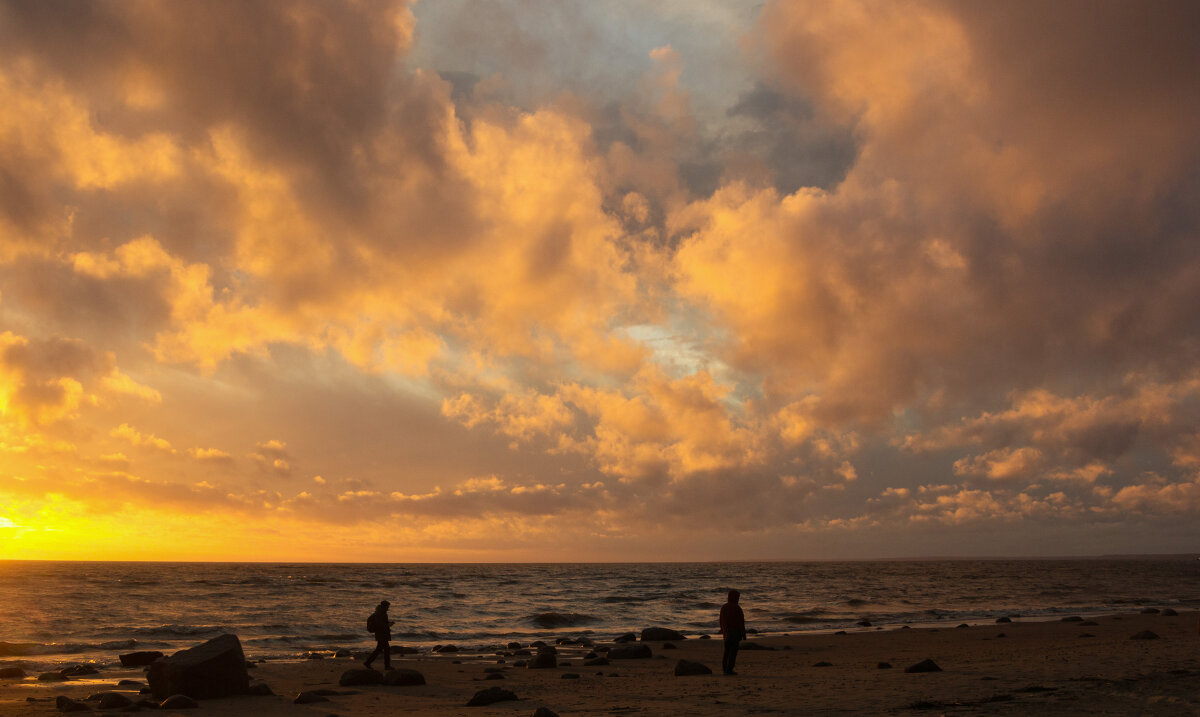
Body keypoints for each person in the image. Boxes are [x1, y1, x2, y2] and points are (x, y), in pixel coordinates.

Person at [719, 589, 746, 675]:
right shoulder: (737, 608)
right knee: (733, 653)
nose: (738, 599)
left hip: (726, 633)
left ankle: (725, 669)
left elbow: (721, 621)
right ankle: (729, 670)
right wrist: (743, 634)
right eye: (738, 597)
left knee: (726, 652)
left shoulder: (724, 607)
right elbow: (741, 622)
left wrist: (723, 631)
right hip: (735, 633)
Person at [364, 600, 394, 670]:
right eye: (387, 606)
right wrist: (388, 625)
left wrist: (388, 624)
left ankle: (368, 662)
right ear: (384, 606)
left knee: (379, 649)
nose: (388, 608)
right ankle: (387, 666)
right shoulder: (380, 613)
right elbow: (379, 624)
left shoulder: (381, 613)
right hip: (381, 634)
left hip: (382, 634)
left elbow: (382, 623)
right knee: (386, 649)